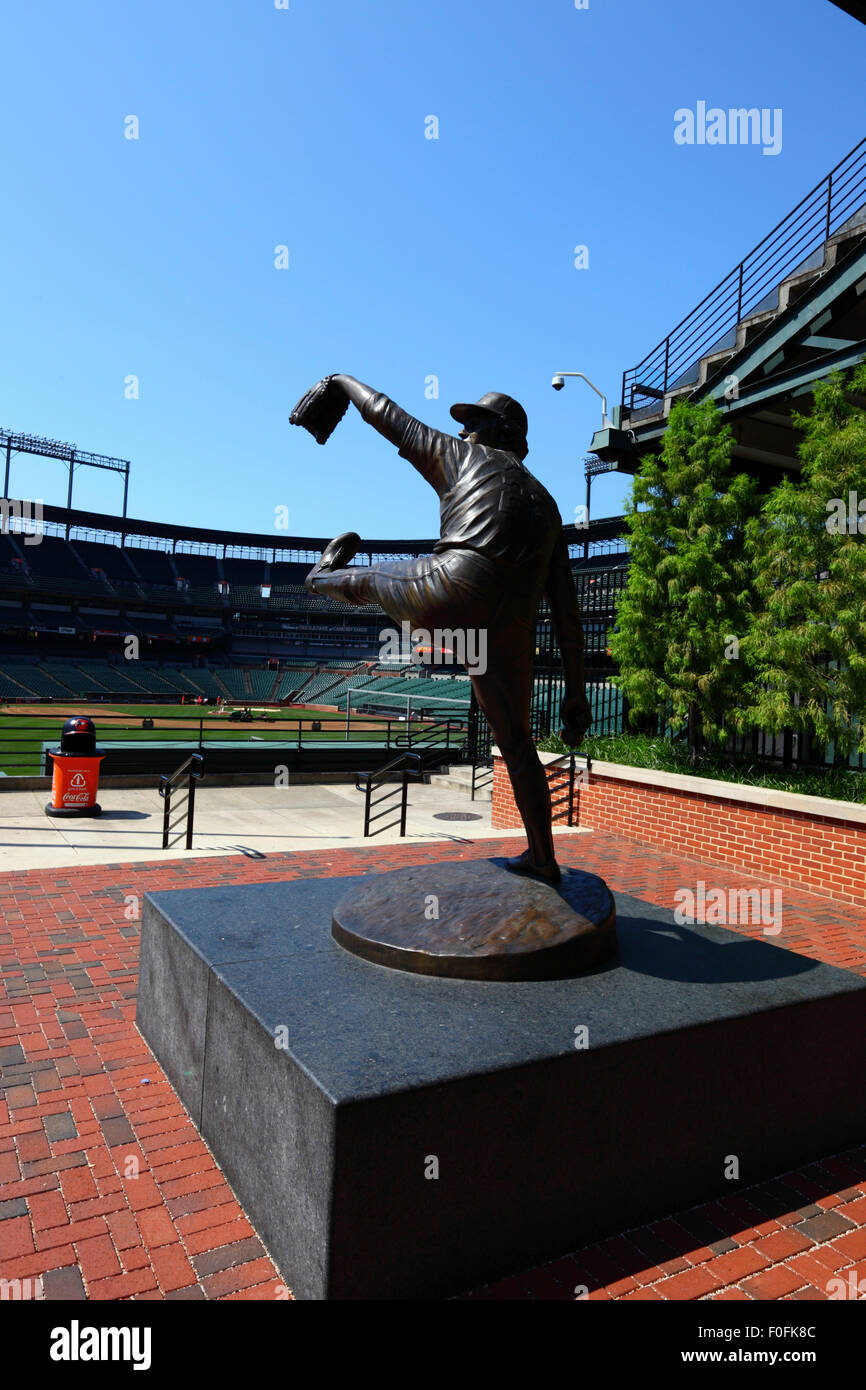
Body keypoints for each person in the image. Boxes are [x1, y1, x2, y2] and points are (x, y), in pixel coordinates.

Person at [294, 375, 592, 885]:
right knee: (518, 747)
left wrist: (340, 382)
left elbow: (390, 416)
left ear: (501, 432)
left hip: (453, 589)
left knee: (367, 576)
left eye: (476, 422)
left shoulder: (466, 458)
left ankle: (320, 577)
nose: (467, 431)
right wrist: (576, 692)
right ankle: (544, 858)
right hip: (506, 629)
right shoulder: (549, 508)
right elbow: (566, 614)